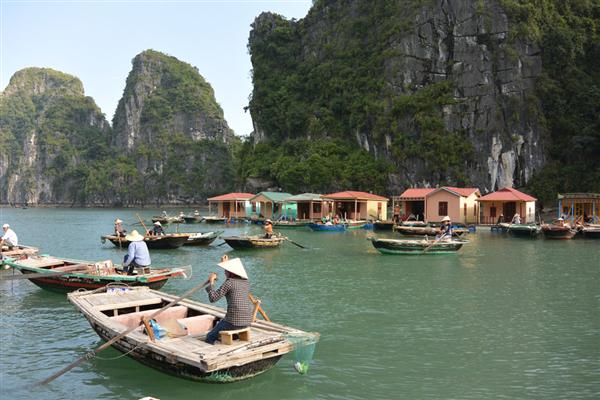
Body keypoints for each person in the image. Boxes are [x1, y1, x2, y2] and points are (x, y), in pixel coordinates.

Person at [204, 255, 252, 345]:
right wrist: (226, 263)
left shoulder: (229, 282)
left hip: (233, 321)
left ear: (230, 273)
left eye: (226, 270)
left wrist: (211, 282)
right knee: (222, 324)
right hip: (247, 321)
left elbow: (213, 298)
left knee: (209, 337)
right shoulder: (246, 282)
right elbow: (231, 276)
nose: (225, 272)